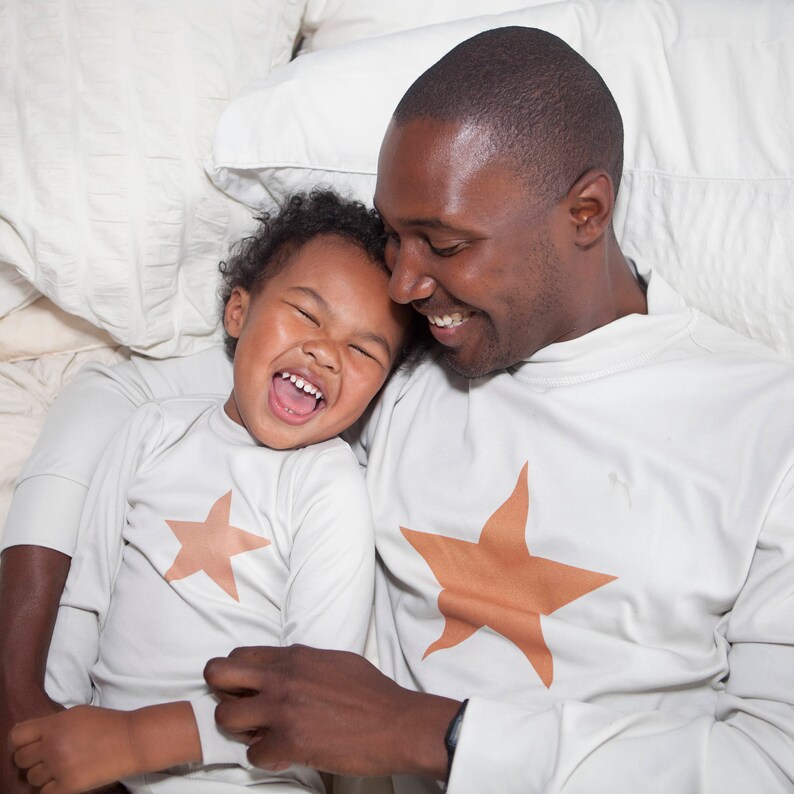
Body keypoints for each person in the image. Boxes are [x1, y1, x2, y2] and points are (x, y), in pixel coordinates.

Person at [2, 24, 794, 794]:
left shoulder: (765, 428)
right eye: (394, 237)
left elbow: (771, 765)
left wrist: (429, 732)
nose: (405, 285)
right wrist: (20, 693)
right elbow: (120, 394)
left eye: (445, 245)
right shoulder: (405, 360)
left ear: (586, 213)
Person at [8, 189, 422, 794]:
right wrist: (60, 725)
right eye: (307, 314)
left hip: (252, 776)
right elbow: (84, 597)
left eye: (363, 350)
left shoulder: (330, 486)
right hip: (96, 764)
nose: (326, 353)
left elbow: (314, 693)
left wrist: (130, 740)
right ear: (237, 312)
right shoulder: (152, 431)